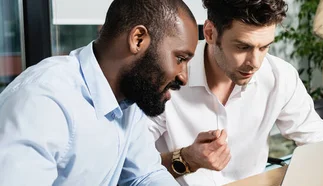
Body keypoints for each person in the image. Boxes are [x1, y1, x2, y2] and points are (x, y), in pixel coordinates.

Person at [0, 0, 198, 185]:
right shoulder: (43, 103)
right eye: (180, 58)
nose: (183, 77)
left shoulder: (128, 99)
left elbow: (146, 176)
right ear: (138, 40)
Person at [146, 0, 323, 185]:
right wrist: (187, 159)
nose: (256, 63)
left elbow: (319, 144)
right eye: (243, 47)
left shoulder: (280, 76)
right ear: (210, 33)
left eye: (264, 47)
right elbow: (129, 167)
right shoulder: (164, 80)